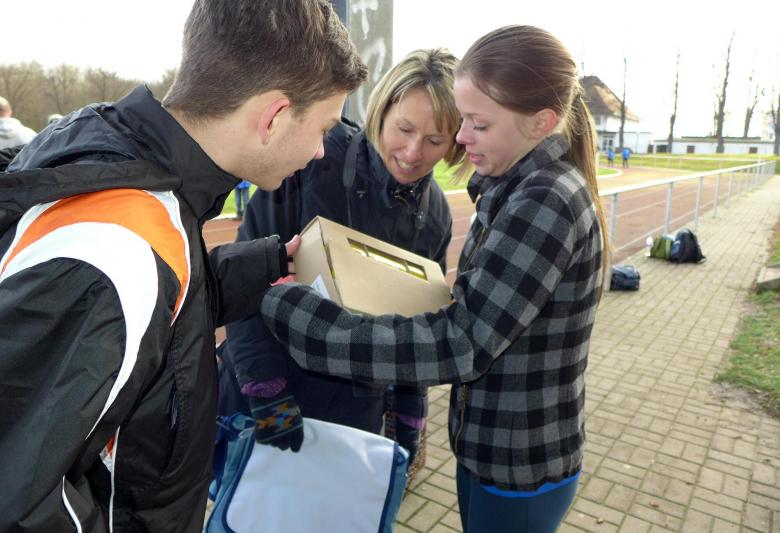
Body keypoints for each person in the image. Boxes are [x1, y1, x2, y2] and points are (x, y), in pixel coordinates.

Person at [0, 1, 366, 531]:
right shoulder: (119, 249)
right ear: (274, 117)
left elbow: (158, 326)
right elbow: (18, 499)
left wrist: (263, 263)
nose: (319, 153)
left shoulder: (127, 159)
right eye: (324, 128)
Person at [258, 25, 609, 533]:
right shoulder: (517, 190)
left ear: (541, 122)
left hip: (515, 462)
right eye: (463, 122)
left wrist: (307, 321)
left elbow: (460, 339)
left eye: (476, 125)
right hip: (496, 451)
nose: (462, 139)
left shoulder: (543, 200)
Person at [219, 48, 467, 466]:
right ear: (382, 112)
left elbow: (418, 325)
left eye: (434, 141)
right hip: (266, 404)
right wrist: (266, 392)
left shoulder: (437, 214)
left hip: (354, 419)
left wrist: (409, 415)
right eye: (404, 129)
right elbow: (246, 278)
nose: (412, 153)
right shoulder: (312, 160)